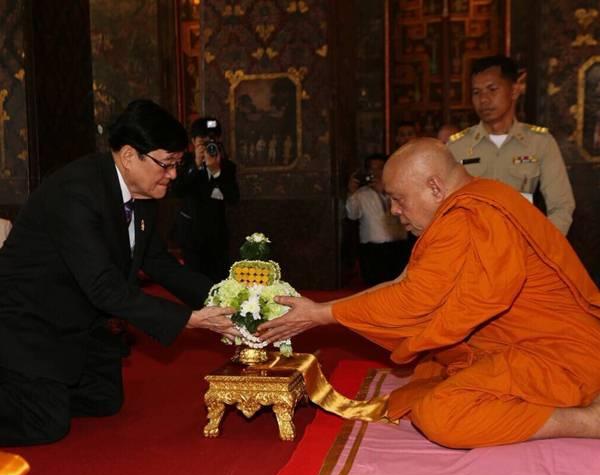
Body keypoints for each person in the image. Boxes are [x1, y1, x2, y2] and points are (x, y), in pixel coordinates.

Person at [258, 138, 600, 449]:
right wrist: (320, 309)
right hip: (534, 343)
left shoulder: (469, 215)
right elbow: (401, 285)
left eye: (398, 198)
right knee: (430, 374)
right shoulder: (482, 198)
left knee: (441, 414)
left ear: (435, 187)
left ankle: (587, 420)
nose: (393, 210)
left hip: (561, 353)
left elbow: (414, 303)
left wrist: (321, 315)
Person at [0, 100, 237, 446]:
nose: (172, 175)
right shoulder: (76, 193)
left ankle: (41, 385)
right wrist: (191, 320)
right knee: (46, 423)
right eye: (166, 164)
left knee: (104, 399)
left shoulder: (141, 194)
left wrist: (227, 298)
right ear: (129, 156)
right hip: (25, 318)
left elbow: (159, 263)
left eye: (177, 164)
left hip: (76, 319)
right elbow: (103, 286)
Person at [447, 55, 575, 235]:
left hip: (522, 245)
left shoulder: (540, 143)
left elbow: (562, 206)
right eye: (476, 92)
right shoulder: (456, 147)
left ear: (514, 91)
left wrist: (541, 246)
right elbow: (442, 207)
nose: (483, 99)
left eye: (492, 89)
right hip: (473, 248)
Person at [171, 117, 240, 282]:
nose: (208, 145)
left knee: (219, 281)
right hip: (190, 234)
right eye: (202, 142)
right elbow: (177, 191)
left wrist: (216, 172)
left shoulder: (227, 166)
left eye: (212, 141)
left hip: (217, 235)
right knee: (194, 281)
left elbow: (233, 198)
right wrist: (196, 165)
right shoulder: (183, 163)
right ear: (193, 142)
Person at [346, 154, 410, 285]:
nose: (375, 173)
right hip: (372, 249)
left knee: (398, 286)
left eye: (380, 168)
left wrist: (385, 193)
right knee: (373, 287)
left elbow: (404, 212)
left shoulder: (399, 189)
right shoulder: (361, 193)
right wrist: (352, 192)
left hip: (398, 246)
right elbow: (352, 215)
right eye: (371, 169)